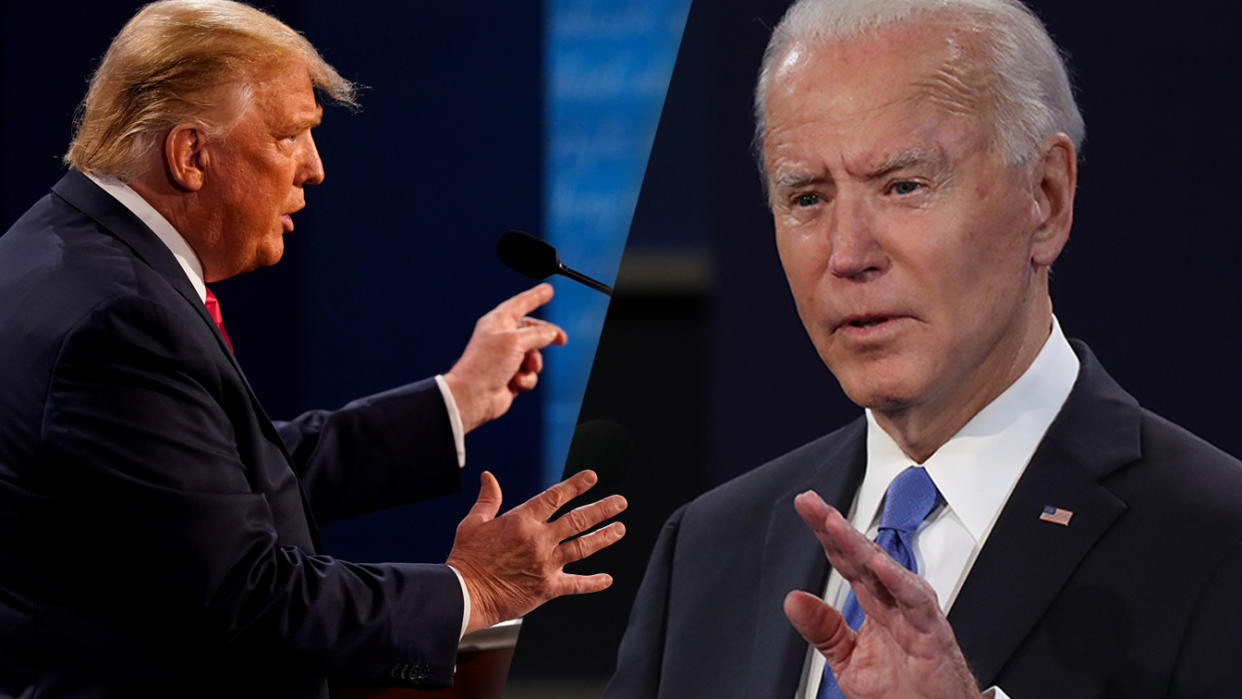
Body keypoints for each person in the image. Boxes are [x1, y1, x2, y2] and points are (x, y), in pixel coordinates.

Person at [606, 0, 1242, 698]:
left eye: (904, 186)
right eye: (808, 198)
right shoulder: (705, 551)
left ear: (1047, 198)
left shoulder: (1217, 543)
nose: (848, 256)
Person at [0, 1, 625, 696]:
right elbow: (249, 594)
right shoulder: (119, 318)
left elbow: (209, 482)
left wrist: (455, 401)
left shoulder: (51, 248)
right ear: (191, 154)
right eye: (291, 135)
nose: (315, 168)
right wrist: (470, 589)